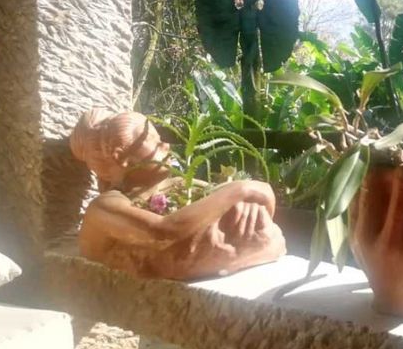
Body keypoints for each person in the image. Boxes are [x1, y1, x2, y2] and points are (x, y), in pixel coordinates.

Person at [70, 109, 286, 280]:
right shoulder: (104, 207)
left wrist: (255, 195)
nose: (165, 144)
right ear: (121, 157)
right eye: (152, 139)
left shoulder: (176, 185)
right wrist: (242, 190)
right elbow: (163, 232)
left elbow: (259, 205)